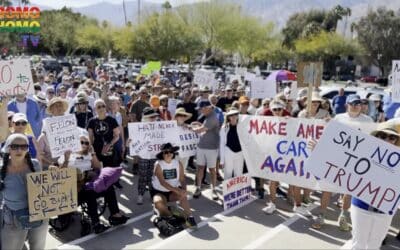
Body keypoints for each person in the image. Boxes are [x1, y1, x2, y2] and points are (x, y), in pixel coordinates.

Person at [312, 94, 374, 231]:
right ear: (347, 105)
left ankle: (343, 216)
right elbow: (329, 136)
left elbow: (372, 141)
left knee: (349, 190)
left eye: (358, 104)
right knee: (327, 189)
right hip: (337, 158)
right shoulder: (339, 118)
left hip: (356, 161)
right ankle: (321, 214)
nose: (355, 106)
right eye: (352, 104)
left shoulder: (368, 120)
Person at [58, 132, 128, 234]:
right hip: (74, 188)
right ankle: (96, 224)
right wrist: (67, 160)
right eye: (81, 142)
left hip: (88, 183)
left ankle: (115, 215)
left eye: (86, 143)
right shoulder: (67, 155)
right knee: (90, 193)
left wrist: (93, 153)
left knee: (109, 187)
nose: (84, 145)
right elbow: (59, 174)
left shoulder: (88, 156)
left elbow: (98, 168)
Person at [350, 121, 400, 249]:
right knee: (358, 244)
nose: (387, 140)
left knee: (374, 245)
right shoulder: (362, 152)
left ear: (396, 140)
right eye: (382, 136)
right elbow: (337, 163)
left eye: (392, 137)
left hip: (384, 210)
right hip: (361, 205)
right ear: (376, 136)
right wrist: (318, 150)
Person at [1, 134, 48, 250]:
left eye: (24, 147)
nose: (19, 150)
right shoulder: (1, 169)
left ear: (27, 149)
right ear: (8, 148)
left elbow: (43, 187)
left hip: (39, 216)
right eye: (15, 146)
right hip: (12, 220)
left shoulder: (35, 164)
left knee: (38, 247)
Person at [151, 143, 197, 228]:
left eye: (171, 152)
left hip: (173, 191)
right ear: (162, 154)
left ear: (173, 153)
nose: (169, 154)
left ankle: (190, 217)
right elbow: (163, 183)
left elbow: (182, 179)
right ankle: (170, 215)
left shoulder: (178, 163)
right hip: (160, 192)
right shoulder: (158, 164)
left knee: (183, 196)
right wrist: (177, 190)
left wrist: (183, 190)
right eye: (166, 152)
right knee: (158, 203)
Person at [192, 100, 220, 200]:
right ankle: (198, 188)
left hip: (211, 148)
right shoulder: (209, 116)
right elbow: (205, 128)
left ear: (206, 108)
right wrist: (199, 124)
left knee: (212, 170)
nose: (200, 111)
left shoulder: (212, 117)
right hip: (202, 146)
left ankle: (214, 190)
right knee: (200, 168)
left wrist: (188, 127)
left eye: (201, 109)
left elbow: (201, 130)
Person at [37, 97, 70, 169]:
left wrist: (66, 161)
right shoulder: (47, 124)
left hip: (68, 163)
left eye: (60, 105)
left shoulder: (69, 124)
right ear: (51, 110)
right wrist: (51, 164)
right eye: (56, 106)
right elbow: (39, 154)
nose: (59, 108)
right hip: (49, 164)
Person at [87, 99, 121, 168]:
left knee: (109, 170)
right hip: (97, 149)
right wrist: (91, 150)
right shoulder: (91, 121)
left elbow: (117, 136)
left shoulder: (112, 120)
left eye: (103, 106)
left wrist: (109, 145)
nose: (101, 108)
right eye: (99, 107)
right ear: (95, 109)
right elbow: (90, 138)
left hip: (109, 149)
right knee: (98, 171)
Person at [136, 107, 160, 205]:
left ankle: (152, 194)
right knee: (142, 175)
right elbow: (134, 141)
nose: (154, 118)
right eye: (151, 117)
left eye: (155, 116)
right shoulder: (139, 127)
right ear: (145, 118)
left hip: (155, 155)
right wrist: (130, 143)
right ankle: (140, 194)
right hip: (144, 155)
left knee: (153, 176)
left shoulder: (159, 126)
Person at [219, 108, 244, 179]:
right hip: (228, 152)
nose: (233, 116)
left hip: (240, 153)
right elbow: (222, 144)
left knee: (239, 174)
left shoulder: (242, 126)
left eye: (235, 114)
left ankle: (237, 189)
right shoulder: (224, 127)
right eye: (231, 115)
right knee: (228, 173)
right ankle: (227, 190)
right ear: (228, 117)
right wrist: (222, 161)